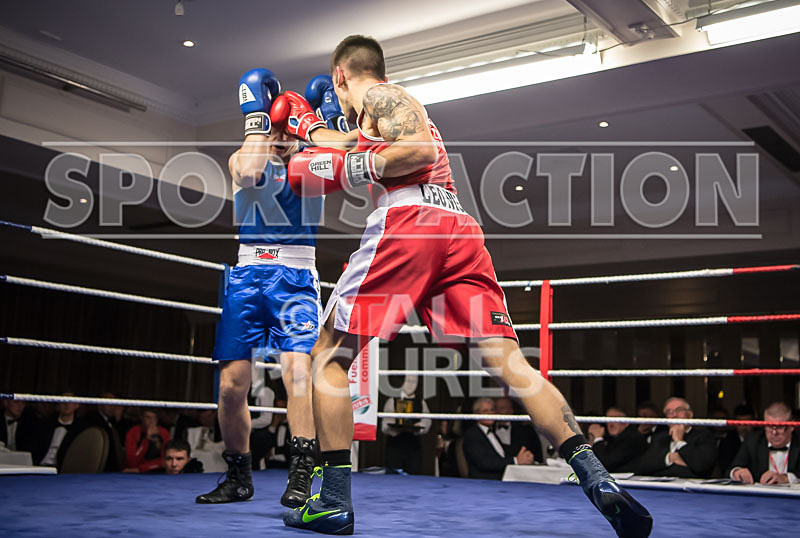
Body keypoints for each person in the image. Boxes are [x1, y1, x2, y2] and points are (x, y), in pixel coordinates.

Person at [278, 34, 652, 537]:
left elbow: (415, 151)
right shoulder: (376, 113)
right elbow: (346, 146)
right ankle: (597, 479)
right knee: (510, 365)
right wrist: (307, 130)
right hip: (456, 231)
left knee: (328, 357)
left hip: (412, 221)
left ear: (340, 75)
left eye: (337, 90)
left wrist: (348, 162)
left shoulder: (382, 95)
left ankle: (332, 502)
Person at [196, 68, 347, 508]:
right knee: (230, 386)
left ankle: (301, 473)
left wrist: (317, 124)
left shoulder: (311, 165)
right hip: (245, 277)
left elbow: (339, 162)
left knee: (297, 374)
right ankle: (238, 477)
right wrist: (258, 121)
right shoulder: (246, 155)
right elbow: (247, 173)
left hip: (295, 278)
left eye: (288, 129)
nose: (281, 137)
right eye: (275, 129)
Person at [636, 397, 717, 478]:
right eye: (669, 412)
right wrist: (669, 458)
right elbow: (643, 467)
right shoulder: (659, 437)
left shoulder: (704, 436)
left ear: (690, 414)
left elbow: (701, 467)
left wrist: (679, 441)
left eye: (679, 410)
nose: (674, 415)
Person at [462, 398, 533, 480]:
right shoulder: (472, 434)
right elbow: (484, 463)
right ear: (476, 415)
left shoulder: (492, 433)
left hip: (501, 480)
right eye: (485, 411)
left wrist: (523, 456)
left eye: (492, 410)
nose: (490, 413)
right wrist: (515, 460)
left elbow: (501, 455)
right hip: (484, 482)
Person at [730, 402, 799, 484]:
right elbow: (731, 469)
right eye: (769, 426)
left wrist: (787, 478)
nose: (774, 432)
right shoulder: (752, 441)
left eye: (780, 427)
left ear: (791, 426)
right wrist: (737, 472)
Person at [380, 375, 432, 474]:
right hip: (394, 447)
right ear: (402, 382)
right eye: (408, 381)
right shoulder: (392, 400)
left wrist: (418, 427)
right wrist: (397, 428)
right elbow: (384, 425)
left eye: (414, 382)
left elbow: (427, 421)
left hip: (414, 448)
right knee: (392, 479)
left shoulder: (421, 402)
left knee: (413, 478)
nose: (410, 385)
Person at [589, 407, 647, 473]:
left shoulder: (631, 437)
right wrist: (592, 439)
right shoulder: (612, 438)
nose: (611, 424)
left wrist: (598, 438)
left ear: (626, 422)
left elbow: (605, 464)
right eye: (608, 420)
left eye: (615, 419)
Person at [34, 393, 82, 469]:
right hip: (39, 466)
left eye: (70, 401)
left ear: (76, 405)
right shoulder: (45, 424)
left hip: (64, 470)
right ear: (58, 404)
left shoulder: (80, 429)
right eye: (63, 401)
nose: (66, 404)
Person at [82, 392, 125, 471]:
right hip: (97, 467)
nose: (112, 407)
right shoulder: (92, 419)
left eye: (114, 404)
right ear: (100, 405)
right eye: (109, 404)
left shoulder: (112, 421)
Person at [494, 396, 543, 464]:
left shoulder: (526, 430)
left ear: (511, 410)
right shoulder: (489, 430)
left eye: (502, 408)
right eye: (495, 408)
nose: (497, 411)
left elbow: (537, 455)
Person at [124, 408, 170, 473]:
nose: (152, 421)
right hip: (135, 472)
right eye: (148, 417)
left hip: (155, 471)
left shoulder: (164, 432)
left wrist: (141, 469)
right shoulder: (134, 432)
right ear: (142, 418)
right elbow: (131, 461)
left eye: (154, 418)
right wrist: (146, 440)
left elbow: (165, 460)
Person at [717, 404, 754, 477]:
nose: (744, 427)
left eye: (747, 423)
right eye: (740, 424)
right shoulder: (727, 442)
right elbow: (725, 468)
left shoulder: (761, 440)